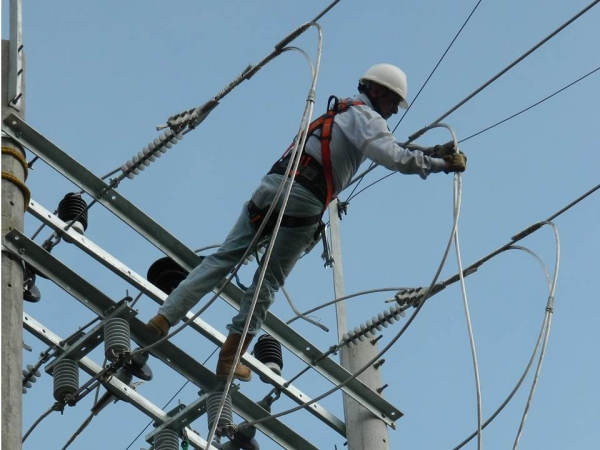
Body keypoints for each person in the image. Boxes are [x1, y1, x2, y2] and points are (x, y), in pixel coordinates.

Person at [146, 63, 467, 382]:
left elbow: (392, 145)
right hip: (303, 199)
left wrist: (430, 150)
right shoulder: (367, 118)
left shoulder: (341, 111)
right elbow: (393, 156)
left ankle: (163, 318)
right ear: (378, 91)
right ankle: (230, 356)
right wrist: (439, 164)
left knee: (222, 259)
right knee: (266, 282)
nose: (395, 111)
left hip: (271, 187)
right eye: (394, 102)